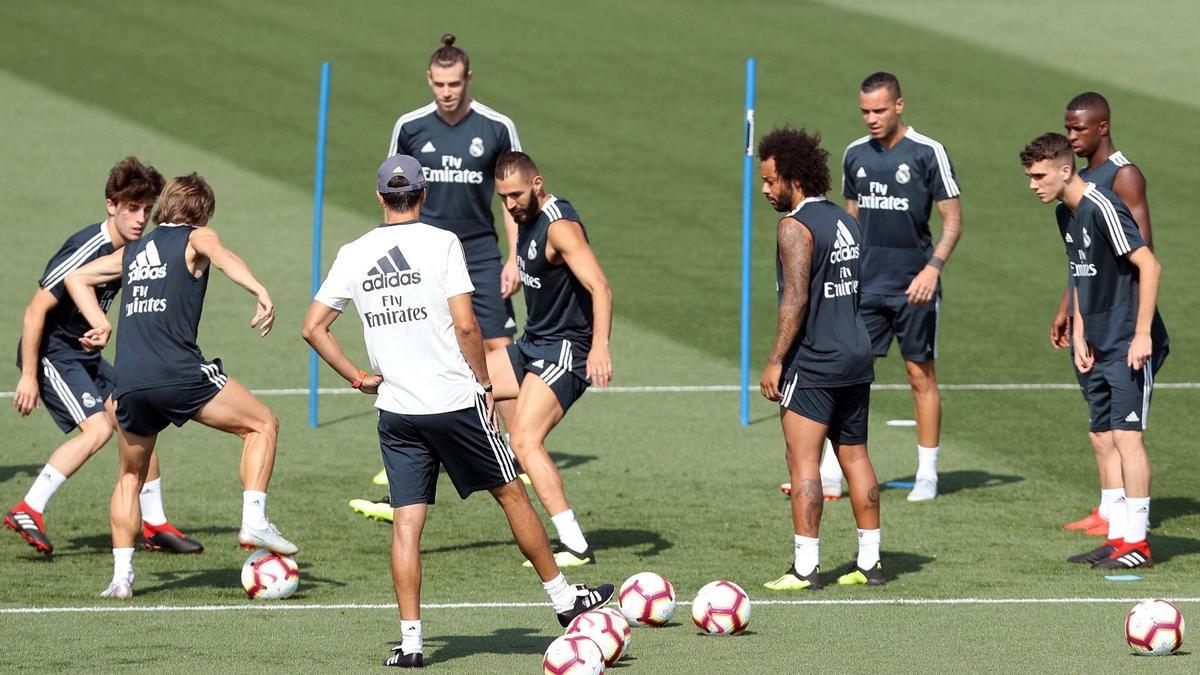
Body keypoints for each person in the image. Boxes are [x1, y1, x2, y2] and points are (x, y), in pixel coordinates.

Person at [301, 155, 612, 667]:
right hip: (454, 402)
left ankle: (412, 642)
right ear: (423, 196)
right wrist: (485, 385)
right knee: (512, 495)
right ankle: (563, 600)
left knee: (406, 526)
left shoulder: (354, 253)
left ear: (380, 198)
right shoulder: (443, 242)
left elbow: (313, 327)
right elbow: (467, 326)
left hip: (397, 410)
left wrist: (357, 377)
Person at [65, 173, 297, 598]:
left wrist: (101, 323)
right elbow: (223, 255)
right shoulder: (197, 237)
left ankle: (121, 578)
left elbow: (76, 278)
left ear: (164, 206)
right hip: (178, 374)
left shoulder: (133, 251)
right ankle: (255, 519)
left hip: (129, 383)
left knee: (130, 477)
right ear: (203, 212)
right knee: (262, 424)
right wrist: (260, 290)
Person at [355, 34, 526, 512]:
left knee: (499, 348)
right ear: (429, 80)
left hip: (481, 251)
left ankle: (511, 448)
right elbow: (393, 188)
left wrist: (513, 258)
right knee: (424, 340)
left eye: (454, 83)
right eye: (439, 83)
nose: (446, 91)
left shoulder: (495, 127)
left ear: (468, 79)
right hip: (422, 254)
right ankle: (420, 450)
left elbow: (511, 195)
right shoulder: (410, 126)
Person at [5, 157, 202, 556]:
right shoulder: (88, 249)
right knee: (96, 430)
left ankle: (156, 524)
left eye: (147, 209)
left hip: (85, 354)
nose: (140, 218)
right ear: (111, 205)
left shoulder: (134, 249)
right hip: (54, 353)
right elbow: (34, 310)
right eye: (132, 208)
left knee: (138, 425)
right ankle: (29, 507)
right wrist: (29, 374)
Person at [1020, 132, 1167, 569]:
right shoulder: (1066, 214)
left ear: (1066, 170)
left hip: (1125, 341)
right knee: (1101, 436)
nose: (1032, 185)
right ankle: (1118, 536)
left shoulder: (1102, 205)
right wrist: (1080, 331)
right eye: (1029, 176)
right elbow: (1082, 275)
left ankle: (1138, 543)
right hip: (1097, 341)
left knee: (1126, 437)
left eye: (1039, 175)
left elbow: (1149, 265)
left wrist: (1142, 335)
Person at [826, 71, 964, 503]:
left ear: (899, 106)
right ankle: (833, 469)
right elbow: (851, 220)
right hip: (865, 286)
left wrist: (932, 268)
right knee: (847, 374)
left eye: (880, 110)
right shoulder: (854, 154)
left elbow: (953, 220)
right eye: (865, 111)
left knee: (919, 373)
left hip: (913, 286)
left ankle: (927, 474)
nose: (871, 118)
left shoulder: (928, 152)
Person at [756, 127, 884, 591]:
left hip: (814, 361)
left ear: (794, 177)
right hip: (856, 353)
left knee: (802, 462)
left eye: (771, 181)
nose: (767, 190)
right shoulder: (844, 219)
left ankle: (805, 568)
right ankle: (870, 563)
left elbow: (795, 300)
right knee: (856, 457)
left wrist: (775, 360)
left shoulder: (794, 226)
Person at [487, 151, 612, 569]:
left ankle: (574, 543)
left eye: (517, 195)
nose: (510, 204)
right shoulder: (522, 217)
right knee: (466, 382)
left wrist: (599, 347)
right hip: (532, 342)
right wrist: (512, 263)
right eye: (503, 197)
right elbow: (517, 229)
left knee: (524, 440)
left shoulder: (560, 228)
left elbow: (600, 288)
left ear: (537, 184)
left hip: (566, 350)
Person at [1054, 92, 1155, 537]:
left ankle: (1132, 530)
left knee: (1122, 430)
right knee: (1099, 427)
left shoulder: (1123, 175)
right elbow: (1084, 257)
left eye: (1078, 128)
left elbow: (1140, 253)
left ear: (1102, 127)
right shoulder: (1079, 180)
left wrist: (1138, 329)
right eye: (1068, 128)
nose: (1071, 135)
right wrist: (1068, 312)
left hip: (1125, 322)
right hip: (1092, 316)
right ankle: (1108, 510)